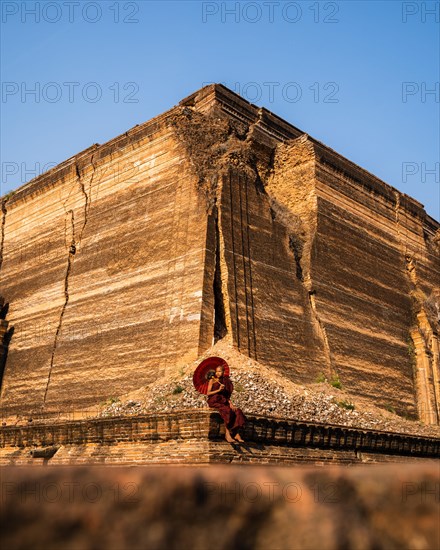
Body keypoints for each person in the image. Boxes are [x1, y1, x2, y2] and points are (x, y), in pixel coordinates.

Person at [206, 364, 246, 443]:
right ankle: (227, 434)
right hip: (214, 401)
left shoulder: (225, 381)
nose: (217, 373)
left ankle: (236, 433)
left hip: (224, 400)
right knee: (227, 410)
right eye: (216, 371)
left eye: (219, 371)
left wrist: (231, 403)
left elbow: (226, 396)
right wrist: (219, 390)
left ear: (223, 372)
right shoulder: (212, 380)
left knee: (237, 411)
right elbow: (208, 393)